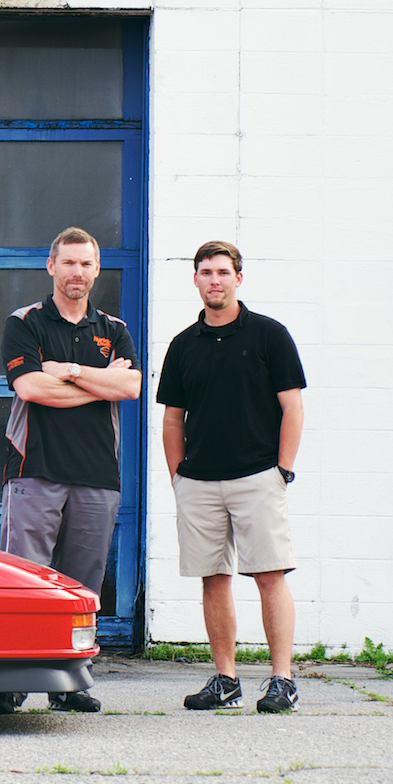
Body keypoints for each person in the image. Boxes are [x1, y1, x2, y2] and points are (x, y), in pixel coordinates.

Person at [0, 226, 140, 715]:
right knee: (23, 579)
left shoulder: (113, 329)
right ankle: (10, 682)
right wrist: (100, 383)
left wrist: (69, 371)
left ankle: (69, 682)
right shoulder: (26, 322)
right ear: (51, 267)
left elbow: (131, 387)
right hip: (35, 470)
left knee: (81, 586)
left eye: (86, 264)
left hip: (97, 475)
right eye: (68, 263)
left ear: (97, 269)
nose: (77, 272)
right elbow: (31, 388)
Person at [157, 241, 307, 714]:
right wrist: (178, 477)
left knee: (269, 576)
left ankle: (282, 680)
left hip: (257, 476)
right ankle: (226, 680)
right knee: (213, 579)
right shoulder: (183, 344)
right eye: (206, 272)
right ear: (196, 280)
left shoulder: (269, 335)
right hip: (199, 482)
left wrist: (281, 469)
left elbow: (292, 407)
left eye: (223, 271)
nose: (214, 280)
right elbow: (171, 419)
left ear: (238, 278)